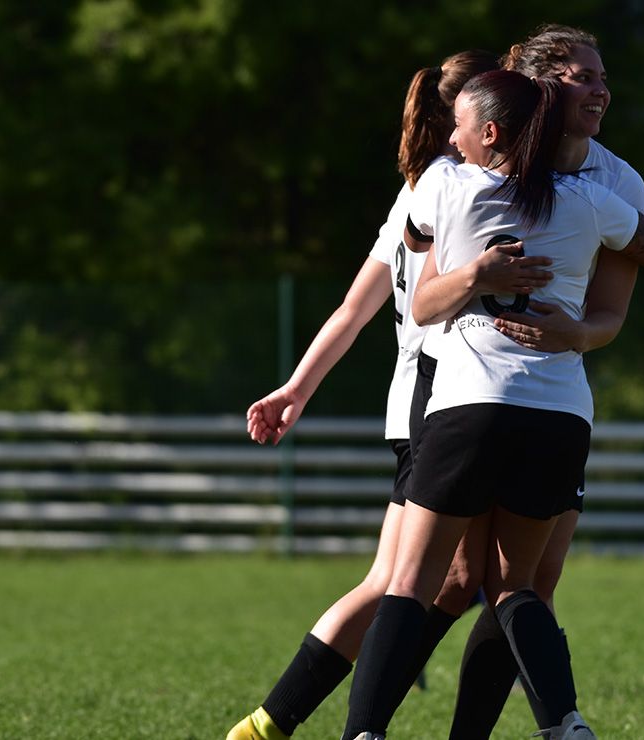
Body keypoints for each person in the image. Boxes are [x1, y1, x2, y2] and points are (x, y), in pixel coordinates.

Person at [340, 69, 644, 740]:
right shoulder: (588, 200)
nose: (452, 136)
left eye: (461, 124)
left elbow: (417, 278)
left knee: (411, 582)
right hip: (558, 413)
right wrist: (618, 252)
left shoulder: (447, 183)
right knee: (516, 587)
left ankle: (363, 733)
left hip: (470, 405)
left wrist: (474, 270)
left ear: (489, 132)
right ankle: (565, 724)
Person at [225, 49, 501, 740]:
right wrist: (295, 389)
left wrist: (296, 387)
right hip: (443, 394)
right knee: (409, 582)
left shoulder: (421, 183)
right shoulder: (457, 185)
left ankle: (285, 721)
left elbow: (355, 308)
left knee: (447, 579)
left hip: (423, 397)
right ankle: (281, 721)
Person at [443, 24, 644, 739]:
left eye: (602, 77)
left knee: (533, 581)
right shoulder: (473, 166)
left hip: (556, 399)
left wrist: (576, 335)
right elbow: (417, 278)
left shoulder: (618, 183)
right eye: (582, 77)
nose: (600, 89)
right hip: (466, 388)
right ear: (540, 87)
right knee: (453, 580)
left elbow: (608, 318)